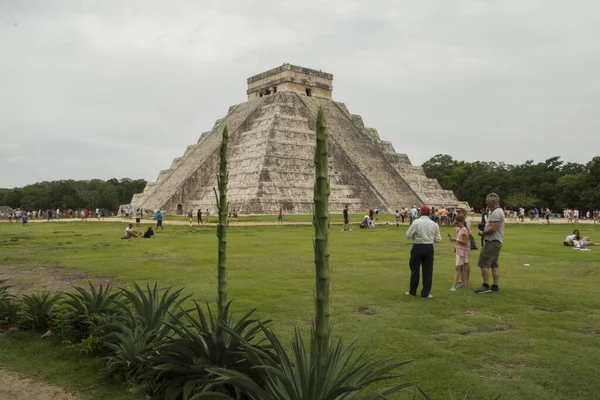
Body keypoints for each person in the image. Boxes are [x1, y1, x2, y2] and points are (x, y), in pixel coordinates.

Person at [405, 205, 441, 299]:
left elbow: (408, 235)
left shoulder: (416, 222)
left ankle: (412, 291)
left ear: (420, 212)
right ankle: (425, 293)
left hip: (417, 246)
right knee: (428, 271)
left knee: (415, 270)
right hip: (429, 247)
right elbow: (438, 239)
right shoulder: (434, 224)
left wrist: (415, 237)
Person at [475, 193, 505, 294]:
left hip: (492, 241)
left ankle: (485, 285)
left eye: (487, 201)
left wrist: (483, 232)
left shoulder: (496, 213)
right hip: (496, 241)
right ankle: (495, 285)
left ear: (493, 201)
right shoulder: (498, 211)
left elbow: (494, 228)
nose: (486, 202)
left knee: (483, 262)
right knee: (494, 264)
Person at [449, 215, 470, 290]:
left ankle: (454, 285)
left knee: (458, 268)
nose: (456, 225)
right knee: (461, 268)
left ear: (461, 222)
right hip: (460, 251)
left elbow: (464, 242)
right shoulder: (461, 229)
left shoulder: (464, 230)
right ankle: (463, 283)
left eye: (457, 223)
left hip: (462, 252)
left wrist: (456, 240)